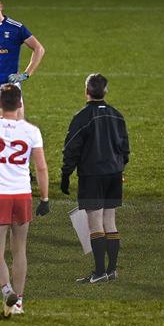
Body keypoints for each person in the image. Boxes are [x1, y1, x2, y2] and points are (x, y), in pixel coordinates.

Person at [0, 83, 49, 318]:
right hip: (22, 195)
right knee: (19, 251)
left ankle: (7, 290)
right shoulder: (31, 131)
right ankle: (18, 303)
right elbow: (41, 167)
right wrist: (45, 198)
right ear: (19, 104)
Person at [61, 73, 129, 284]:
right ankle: (111, 270)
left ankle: (99, 272)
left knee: (95, 224)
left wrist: (65, 174)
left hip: (92, 176)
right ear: (105, 91)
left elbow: (71, 148)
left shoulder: (82, 117)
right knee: (110, 221)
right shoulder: (117, 115)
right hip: (114, 175)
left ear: (87, 91)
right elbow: (125, 149)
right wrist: (119, 167)